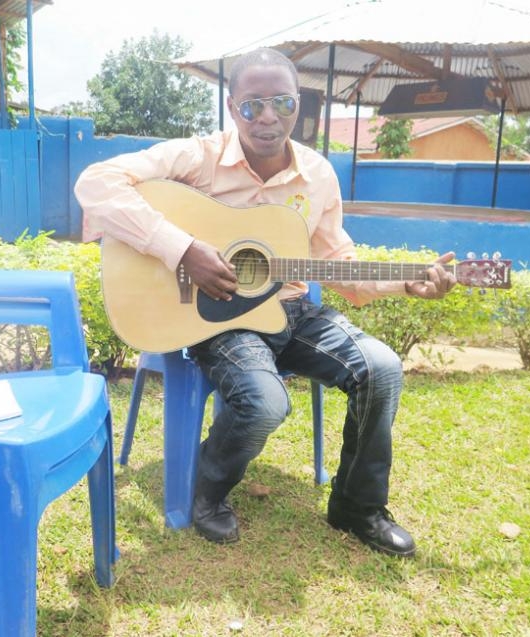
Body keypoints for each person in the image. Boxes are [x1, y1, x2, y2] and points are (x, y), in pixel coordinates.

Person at [75, 48, 456, 557]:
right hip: (220, 320)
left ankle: (357, 508)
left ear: (300, 106)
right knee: (266, 402)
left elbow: (340, 264)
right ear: (233, 108)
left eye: (282, 103)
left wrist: (408, 282)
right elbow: (94, 183)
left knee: (382, 368)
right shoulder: (198, 157)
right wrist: (183, 249)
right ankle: (206, 487)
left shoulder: (318, 174)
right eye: (253, 105)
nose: (268, 117)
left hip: (294, 312)